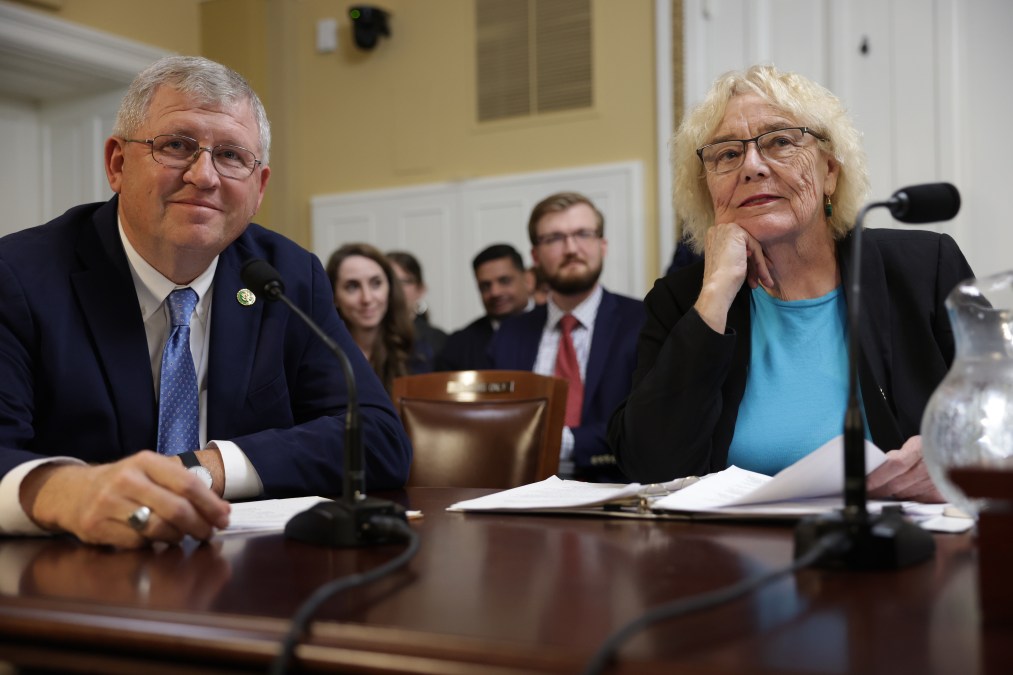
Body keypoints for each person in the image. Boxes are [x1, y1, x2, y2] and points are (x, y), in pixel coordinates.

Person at [0, 56, 412, 549]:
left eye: (232, 156)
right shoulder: (20, 276)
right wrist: (65, 491)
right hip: (73, 577)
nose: (204, 176)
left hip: (244, 577)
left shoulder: (287, 276)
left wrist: (206, 469)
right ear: (117, 163)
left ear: (258, 189)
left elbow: (376, 436)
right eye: (176, 146)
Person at [608, 65, 973, 502]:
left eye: (780, 141)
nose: (752, 167)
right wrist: (715, 297)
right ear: (708, 192)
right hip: (733, 557)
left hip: (899, 549)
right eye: (726, 154)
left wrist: (952, 462)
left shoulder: (923, 268)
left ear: (830, 173)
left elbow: (1002, 412)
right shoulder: (683, 299)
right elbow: (649, 466)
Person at [489, 192, 645, 482]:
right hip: (520, 496)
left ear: (602, 245)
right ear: (535, 256)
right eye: (555, 239)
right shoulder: (509, 335)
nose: (571, 248)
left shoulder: (644, 322)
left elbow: (649, 421)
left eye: (583, 234)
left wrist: (562, 443)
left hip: (615, 496)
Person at [327, 243, 431, 394]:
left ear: (389, 288)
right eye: (352, 286)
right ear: (334, 296)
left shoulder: (415, 352)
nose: (367, 298)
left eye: (376, 283)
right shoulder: (320, 355)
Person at [435, 243, 532, 371]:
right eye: (485, 286)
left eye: (504, 281)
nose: (495, 292)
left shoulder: (552, 330)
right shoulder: (459, 345)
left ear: (528, 279)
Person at [387, 250, 447, 370]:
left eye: (403, 282)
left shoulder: (439, 341)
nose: (395, 289)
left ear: (421, 289)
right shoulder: (366, 337)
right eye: (388, 281)